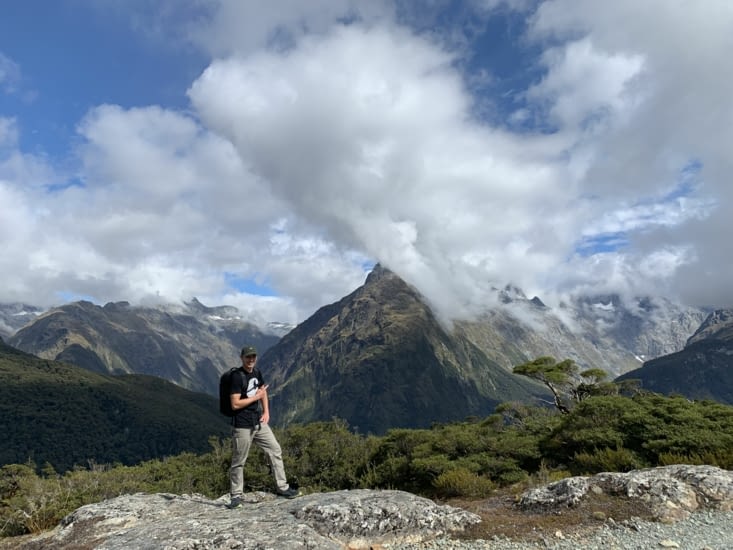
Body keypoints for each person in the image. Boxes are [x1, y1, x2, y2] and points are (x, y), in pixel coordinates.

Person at [228, 345, 298, 508]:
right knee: (239, 460)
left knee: (275, 449)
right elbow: (235, 404)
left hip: (258, 422)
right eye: (248, 357)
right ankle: (236, 496)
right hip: (242, 425)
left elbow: (262, 391)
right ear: (242, 358)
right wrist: (256, 398)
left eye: (253, 356)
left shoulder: (256, 372)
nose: (251, 359)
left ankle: (282, 487)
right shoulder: (236, 377)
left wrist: (266, 411)